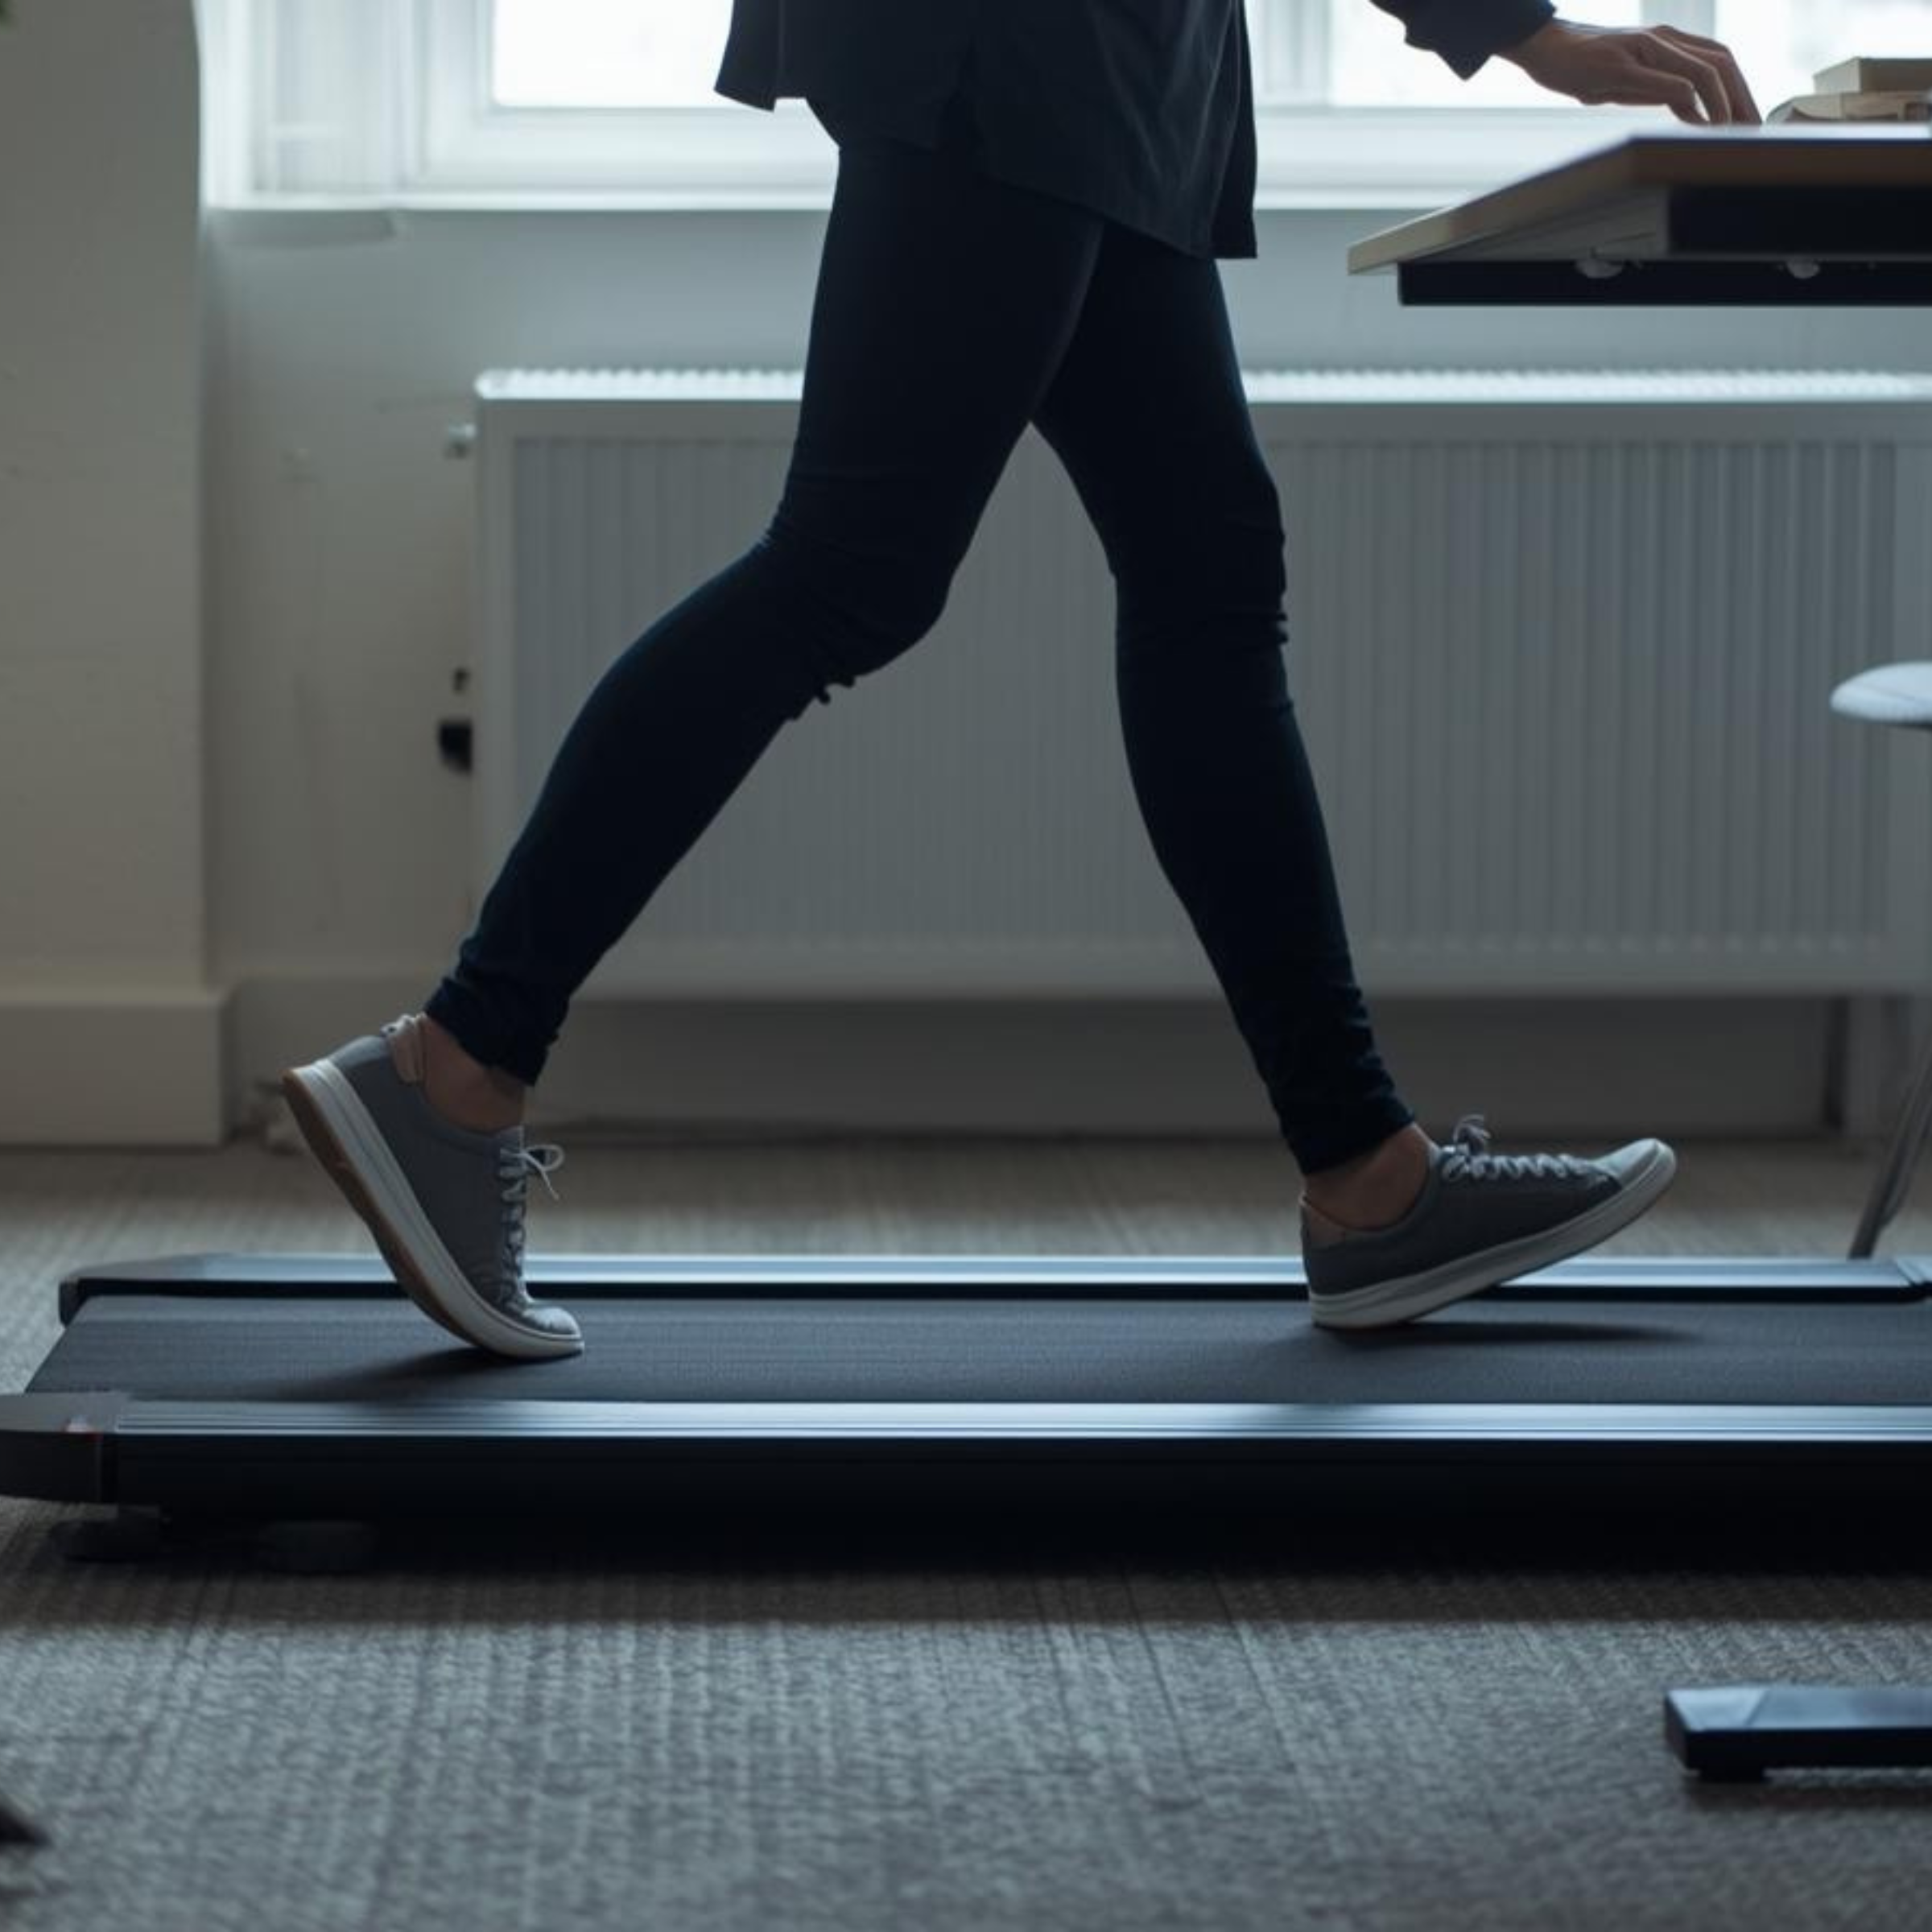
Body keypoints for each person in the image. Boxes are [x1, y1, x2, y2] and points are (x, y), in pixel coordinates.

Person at [282, 5, 1762, 1360]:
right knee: (852, 572)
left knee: (1207, 580)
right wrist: (1511, 27)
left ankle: (1369, 1178)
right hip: (1028, 42)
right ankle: (459, 1063)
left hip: (1108, 67)